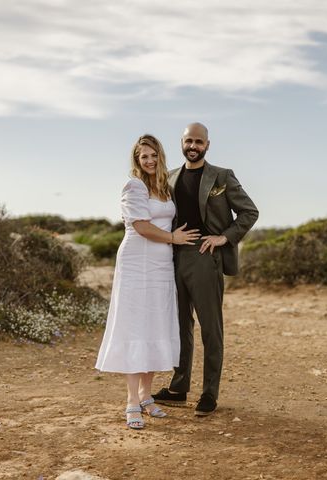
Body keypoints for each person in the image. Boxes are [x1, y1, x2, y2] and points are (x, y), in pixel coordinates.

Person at [153, 122, 258, 416]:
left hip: (204, 257)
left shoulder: (222, 176)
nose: (193, 146)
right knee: (179, 327)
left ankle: (209, 393)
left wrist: (224, 237)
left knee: (211, 329)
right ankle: (178, 387)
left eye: (199, 141)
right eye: (189, 141)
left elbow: (249, 211)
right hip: (173, 258)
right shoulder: (170, 177)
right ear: (181, 143)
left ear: (207, 145)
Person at [95, 134, 200, 429]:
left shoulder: (165, 187)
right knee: (136, 325)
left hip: (161, 263)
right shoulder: (134, 186)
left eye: (153, 155)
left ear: (160, 156)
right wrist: (173, 238)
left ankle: (146, 395)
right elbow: (141, 226)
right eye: (144, 157)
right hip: (137, 262)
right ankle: (131, 401)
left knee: (156, 324)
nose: (150, 161)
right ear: (137, 160)